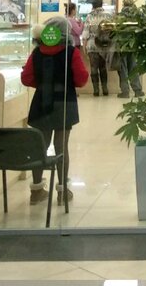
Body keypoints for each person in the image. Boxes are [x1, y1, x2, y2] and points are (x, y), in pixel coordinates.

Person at [21, 16, 88, 205]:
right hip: (64, 102)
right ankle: (63, 192)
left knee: (40, 146)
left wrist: (44, 85)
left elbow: (26, 78)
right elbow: (81, 79)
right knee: (61, 146)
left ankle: (36, 191)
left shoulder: (37, 52)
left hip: (41, 102)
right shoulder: (71, 52)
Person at [115, 0, 145, 98]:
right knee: (133, 67)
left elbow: (115, 30)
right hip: (134, 44)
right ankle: (137, 90)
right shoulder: (138, 15)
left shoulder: (119, 16)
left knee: (123, 69)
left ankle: (125, 91)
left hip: (122, 45)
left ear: (123, 3)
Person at [82, 0, 112, 96]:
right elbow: (112, 31)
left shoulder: (89, 16)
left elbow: (85, 33)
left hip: (92, 44)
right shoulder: (108, 15)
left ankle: (96, 90)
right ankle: (105, 89)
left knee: (93, 67)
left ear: (93, 5)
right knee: (103, 67)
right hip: (104, 44)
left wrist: (84, 47)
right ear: (101, 4)